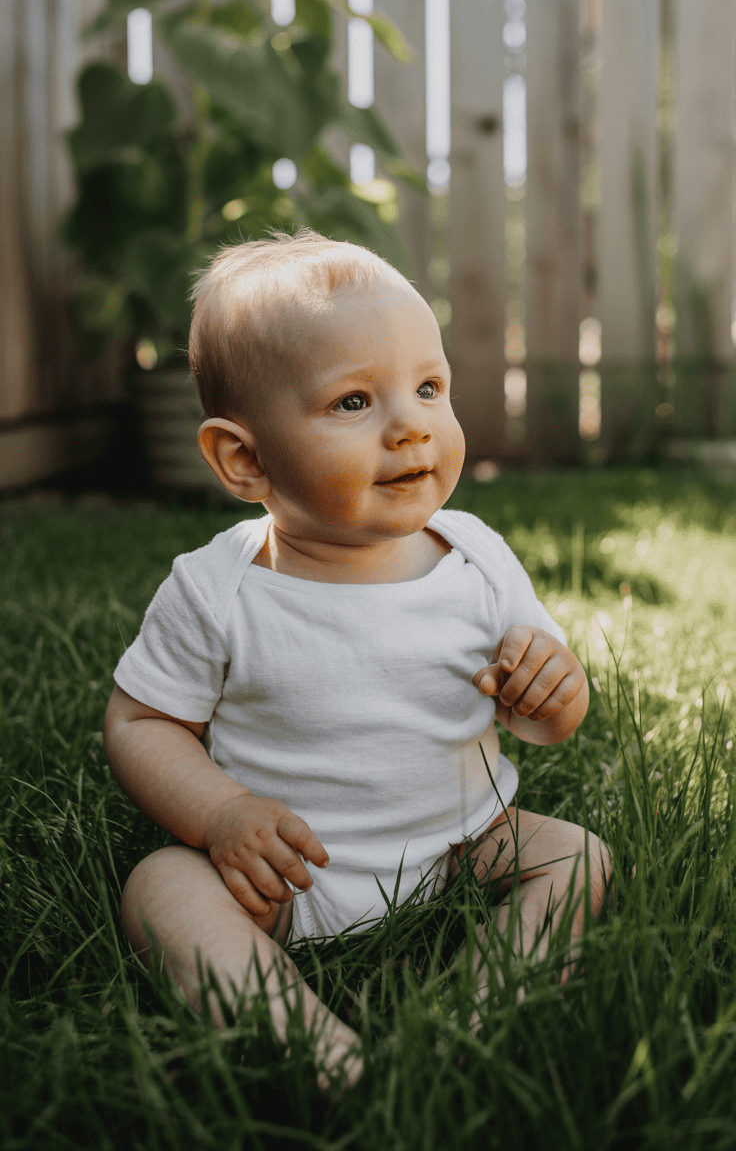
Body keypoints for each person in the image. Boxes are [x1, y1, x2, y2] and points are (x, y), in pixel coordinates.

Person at [104, 230, 611, 1091]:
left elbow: (543, 714)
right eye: (353, 403)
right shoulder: (217, 590)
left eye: (428, 386)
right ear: (245, 458)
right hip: (277, 878)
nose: (412, 424)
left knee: (578, 858)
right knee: (160, 886)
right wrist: (221, 816)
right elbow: (142, 723)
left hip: (460, 847)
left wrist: (555, 689)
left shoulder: (476, 555)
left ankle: (472, 1016)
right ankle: (314, 1044)